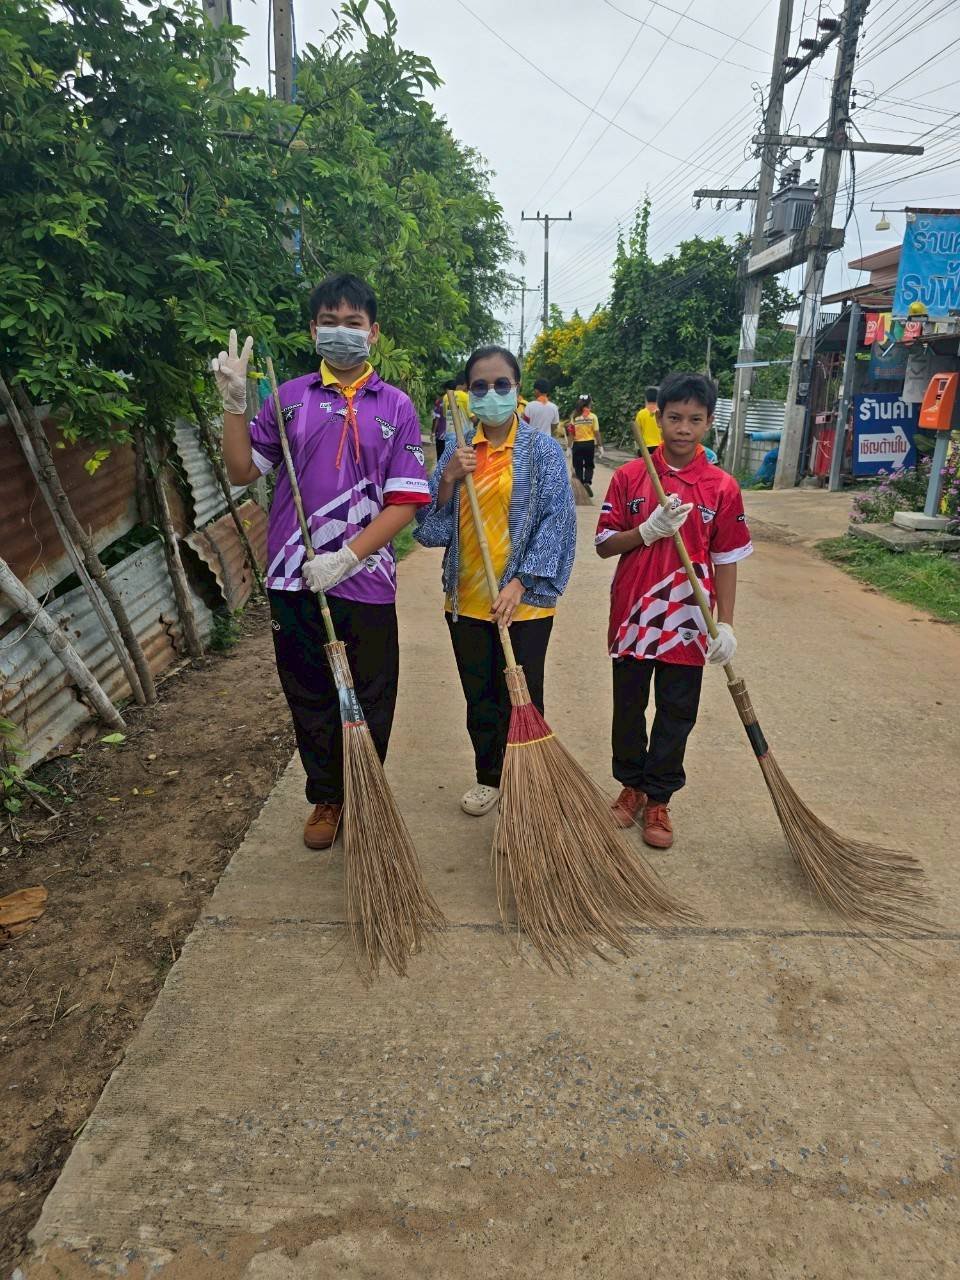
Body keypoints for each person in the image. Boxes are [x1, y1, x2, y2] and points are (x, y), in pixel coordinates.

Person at [214, 274, 430, 851]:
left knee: (372, 691)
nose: (341, 332)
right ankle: (327, 797)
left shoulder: (398, 406)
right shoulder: (288, 399)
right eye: (329, 322)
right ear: (313, 331)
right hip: (293, 575)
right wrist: (235, 405)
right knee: (309, 691)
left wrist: (350, 558)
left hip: (367, 580)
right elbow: (242, 472)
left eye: (353, 322)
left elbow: (406, 499)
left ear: (373, 333)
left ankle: (366, 792)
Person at [594, 371, 753, 850]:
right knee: (628, 705)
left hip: (690, 618)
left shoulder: (722, 486)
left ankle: (660, 796)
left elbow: (726, 560)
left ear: (708, 424)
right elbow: (604, 544)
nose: (684, 428)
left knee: (677, 710)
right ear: (657, 419)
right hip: (633, 614)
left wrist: (725, 622)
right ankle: (632, 784)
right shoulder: (630, 476)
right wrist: (645, 531)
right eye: (675, 417)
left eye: (695, 419)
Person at [416, 346, 576, 816]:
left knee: (524, 696)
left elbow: (557, 521)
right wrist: (446, 480)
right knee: (480, 697)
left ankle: (528, 780)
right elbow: (430, 530)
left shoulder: (542, 451)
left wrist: (521, 582)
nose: (490, 394)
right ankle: (490, 776)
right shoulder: (457, 449)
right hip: (467, 600)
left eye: (500, 385)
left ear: (518, 391)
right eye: (479, 386)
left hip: (522, 603)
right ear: (467, 394)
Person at [568, 393, 603, 496]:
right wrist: (600, 446)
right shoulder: (593, 417)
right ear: (589, 403)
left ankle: (580, 485)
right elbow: (596, 432)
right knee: (589, 465)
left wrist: (569, 447)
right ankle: (587, 481)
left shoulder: (574, 417)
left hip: (578, 445)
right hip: (589, 444)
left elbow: (571, 433)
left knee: (578, 466)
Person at [633, 386, 662, 455]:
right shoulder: (661, 413)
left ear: (646, 399)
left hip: (644, 448)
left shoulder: (641, 414)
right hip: (660, 447)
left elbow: (637, 432)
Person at [434, 378, 457, 463]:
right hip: (455, 436)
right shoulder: (461, 399)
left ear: (446, 389)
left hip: (441, 435)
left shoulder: (440, 400)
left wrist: (433, 432)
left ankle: (440, 475)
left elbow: (436, 418)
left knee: (440, 459)